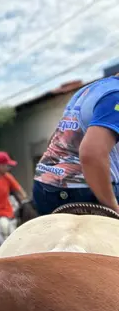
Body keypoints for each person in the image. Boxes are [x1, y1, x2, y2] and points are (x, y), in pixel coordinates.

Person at [32, 77, 119, 215]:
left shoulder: (88, 90)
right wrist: (114, 209)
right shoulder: (116, 96)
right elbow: (92, 154)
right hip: (82, 190)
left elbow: (56, 140)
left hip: (44, 185)